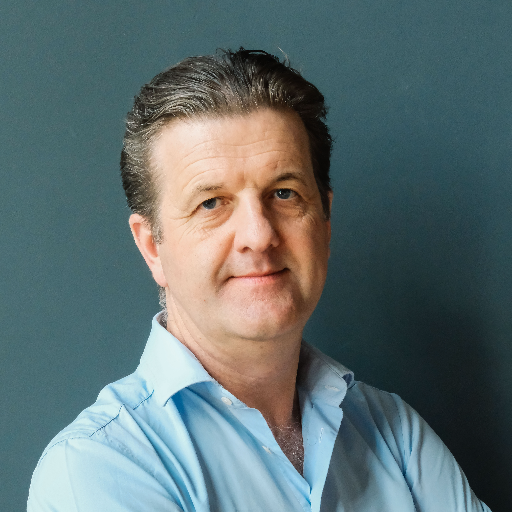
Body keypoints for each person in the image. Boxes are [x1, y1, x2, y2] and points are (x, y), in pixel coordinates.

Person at [27, 49, 491, 512]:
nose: (259, 235)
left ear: (325, 223)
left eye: (284, 193)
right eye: (211, 203)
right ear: (152, 246)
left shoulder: (396, 435)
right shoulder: (99, 468)